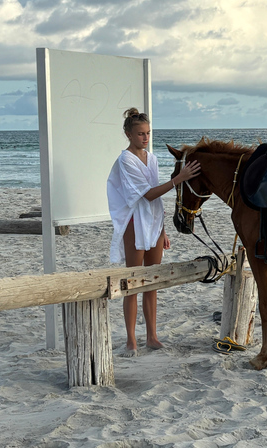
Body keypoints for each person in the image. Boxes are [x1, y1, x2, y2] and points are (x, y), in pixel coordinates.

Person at [107, 108, 200, 357]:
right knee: (133, 283)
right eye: (140, 134)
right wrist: (179, 179)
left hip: (154, 223)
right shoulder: (125, 160)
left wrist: (164, 230)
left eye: (147, 133)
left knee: (152, 283)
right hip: (134, 223)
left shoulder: (153, 158)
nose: (145, 138)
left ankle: (152, 337)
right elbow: (147, 194)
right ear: (128, 134)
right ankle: (130, 340)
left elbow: (156, 199)